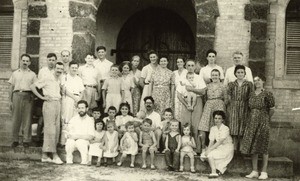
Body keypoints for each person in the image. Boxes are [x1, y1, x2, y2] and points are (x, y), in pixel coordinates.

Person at [241, 75, 275, 180]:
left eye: (259, 80)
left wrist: (265, 119)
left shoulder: (267, 94)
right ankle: (255, 171)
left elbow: (272, 109)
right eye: (255, 81)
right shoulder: (251, 94)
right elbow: (248, 108)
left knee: (263, 146)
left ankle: (264, 172)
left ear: (263, 81)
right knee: (253, 146)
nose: (257, 82)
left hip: (263, 122)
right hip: (251, 122)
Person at [30, 62, 64, 164]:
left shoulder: (59, 79)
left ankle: (45, 155)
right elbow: (32, 86)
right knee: (50, 130)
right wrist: (42, 97)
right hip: (49, 104)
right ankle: (54, 155)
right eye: (57, 68)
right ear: (54, 68)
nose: (59, 71)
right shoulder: (47, 77)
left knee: (56, 129)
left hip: (57, 103)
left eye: (61, 69)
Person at [177, 59, 207, 153]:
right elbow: (178, 95)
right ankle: (184, 147)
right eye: (188, 65)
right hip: (185, 101)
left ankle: (197, 148)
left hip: (197, 101)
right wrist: (186, 105)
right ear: (185, 67)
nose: (190, 67)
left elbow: (203, 91)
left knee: (196, 124)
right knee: (185, 123)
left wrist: (192, 89)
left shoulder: (198, 78)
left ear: (195, 67)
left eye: (192, 65)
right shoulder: (182, 79)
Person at [8, 54, 37, 148]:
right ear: (20, 61)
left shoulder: (33, 74)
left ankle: (26, 140)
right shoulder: (15, 73)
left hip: (28, 96)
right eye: (23, 60)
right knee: (16, 119)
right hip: (16, 95)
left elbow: (35, 87)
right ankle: (15, 140)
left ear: (29, 63)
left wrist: (32, 97)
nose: (25, 62)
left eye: (27, 61)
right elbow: (11, 87)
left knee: (27, 119)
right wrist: (10, 100)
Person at [198, 69, 226, 156]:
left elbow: (226, 98)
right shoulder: (207, 86)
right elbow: (204, 97)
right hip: (209, 105)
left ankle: (216, 148)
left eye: (216, 75)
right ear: (211, 76)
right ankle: (203, 147)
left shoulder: (223, 86)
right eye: (213, 75)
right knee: (203, 126)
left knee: (217, 126)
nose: (214, 76)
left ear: (219, 76)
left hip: (219, 105)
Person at [227, 65, 253, 151]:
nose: (240, 74)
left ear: (245, 73)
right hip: (234, 106)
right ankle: (234, 148)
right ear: (235, 73)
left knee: (243, 126)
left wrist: (249, 106)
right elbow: (228, 95)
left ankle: (242, 148)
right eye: (238, 72)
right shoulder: (231, 84)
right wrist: (230, 104)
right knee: (234, 127)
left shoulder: (249, 84)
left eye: (242, 72)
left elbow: (251, 96)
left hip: (245, 106)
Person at [202, 110, 234, 178]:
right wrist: (207, 150)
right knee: (203, 155)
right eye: (215, 118)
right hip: (218, 147)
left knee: (210, 154)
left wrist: (210, 150)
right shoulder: (213, 128)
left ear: (222, 119)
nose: (217, 120)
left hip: (227, 148)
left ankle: (214, 172)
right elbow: (211, 141)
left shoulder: (225, 128)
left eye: (219, 118)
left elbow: (220, 141)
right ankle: (221, 168)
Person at [60, 61, 85, 147]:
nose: (74, 69)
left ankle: (73, 141)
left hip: (77, 100)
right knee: (66, 119)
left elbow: (82, 91)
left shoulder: (79, 79)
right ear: (69, 68)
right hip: (68, 99)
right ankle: (63, 141)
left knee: (75, 120)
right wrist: (74, 98)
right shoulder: (65, 77)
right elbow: (64, 90)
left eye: (76, 68)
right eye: (72, 68)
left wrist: (79, 100)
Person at [65, 100, 95, 165]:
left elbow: (91, 136)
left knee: (80, 142)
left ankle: (84, 161)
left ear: (86, 109)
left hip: (84, 141)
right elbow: (68, 131)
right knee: (70, 142)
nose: (80, 110)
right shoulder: (74, 119)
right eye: (79, 108)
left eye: (82, 108)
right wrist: (68, 135)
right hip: (73, 140)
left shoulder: (90, 120)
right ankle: (69, 161)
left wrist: (78, 136)